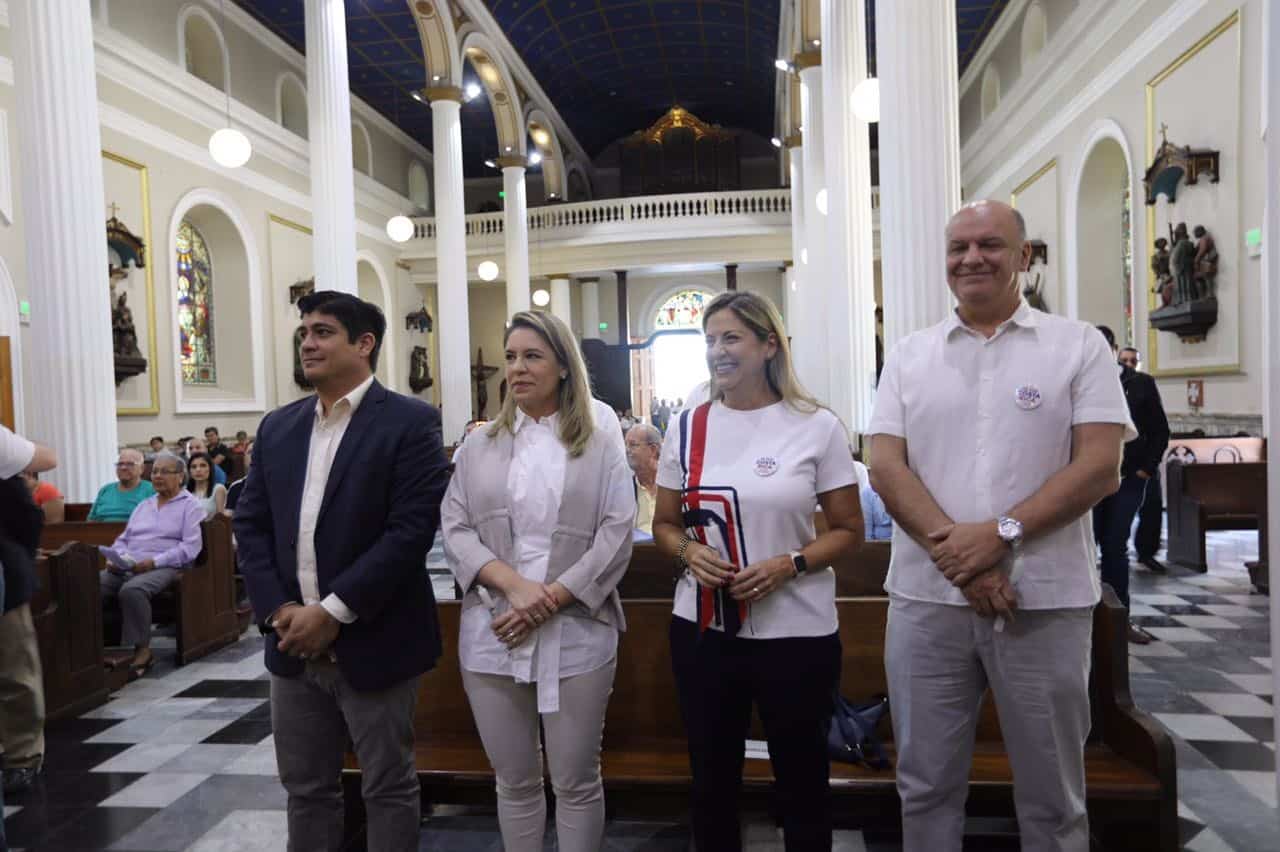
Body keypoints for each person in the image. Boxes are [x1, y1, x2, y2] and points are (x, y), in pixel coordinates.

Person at [867, 200, 1133, 852]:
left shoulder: (1078, 347)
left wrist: (1000, 533)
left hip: (1042, 601)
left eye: (990, 244)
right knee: (924, 785)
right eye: (958, 247)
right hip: (929, 601)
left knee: (1053, 795)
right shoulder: (909, 355)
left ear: (1025, 256)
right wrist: (965, 556)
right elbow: (884, 464)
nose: (972, 258)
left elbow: (1101, 465)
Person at [234, 290, 449, 852]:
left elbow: (409, 533)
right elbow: (251, 526)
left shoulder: (409, 422)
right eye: (304, 332)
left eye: (324, 331)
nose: (308, 342)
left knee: (388, 785)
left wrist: (332, 612)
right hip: (292, 644)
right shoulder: (279, 428)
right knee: (305, 788)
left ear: (364, 343)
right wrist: (280, 611)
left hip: (375, 635)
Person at [652, 291, 863, 851]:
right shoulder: (689, 425)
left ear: (770, 345)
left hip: (796, 632)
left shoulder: (816, 426)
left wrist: (788, 565)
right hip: (705, 630)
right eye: (710, 340)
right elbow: (664, 523)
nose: (717, 351)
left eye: (731, 338)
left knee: (802, 783)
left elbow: (848, 529)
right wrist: (687, 554)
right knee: (712, 781)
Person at [442, 310, 635, 852]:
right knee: (516, 781)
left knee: (575, 780)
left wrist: (547, 599)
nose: (517, 369)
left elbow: (617, 529)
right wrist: (513, 587)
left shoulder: (599, 434)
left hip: (577, 626)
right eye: (510, 357)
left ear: (563, 366)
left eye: (532, 356)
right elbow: (454, 525)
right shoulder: (481, 443)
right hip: (494, 627)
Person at [1094, 326, 1170, 644]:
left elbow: (1159, 430)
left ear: (1110, 349)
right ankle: (1084, 618)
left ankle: (1118, 621)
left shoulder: (1139, 383)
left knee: (1115, 545)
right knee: (1088, 545)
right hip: (1088, 481)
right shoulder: (1076, 381)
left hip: (1127, 478)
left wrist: (1146, 470)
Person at [100, 452, 205, 679]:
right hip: (130, 563)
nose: (157, 476)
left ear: (180, 476)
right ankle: (92, 647)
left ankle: (142, 650)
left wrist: (154, 562)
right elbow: (124, 539)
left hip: (167, 565)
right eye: (155, 471)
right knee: (92, 584)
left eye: (164, 472)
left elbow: (190, 548)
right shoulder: (144, 505)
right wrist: (115, 557)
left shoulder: (191, 506)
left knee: (133, 590)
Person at [0, 426, 56, 797]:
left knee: (14, 669)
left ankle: (22, 756)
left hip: (2, 569)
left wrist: (15, 556)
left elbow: (27, 519)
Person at [88, 449, 156, 521]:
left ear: (142, 468)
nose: (123, 467)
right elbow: (91, 520)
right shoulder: (105, 490)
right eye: (120, 464)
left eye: (130, 464)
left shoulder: (152, 490)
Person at [625, 423, 662, 535]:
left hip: (673, 550)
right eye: (625, 445)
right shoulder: (625, 489)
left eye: (633, 445)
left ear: (653, 450)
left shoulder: (674, 486)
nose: (627, 450)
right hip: (637, 551)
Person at [186, 451, 228, 518]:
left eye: (203, 465)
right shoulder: (185, 491)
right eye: (193, 467)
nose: (198, 470)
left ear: (210, 469)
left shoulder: (218, 489)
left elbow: (221, 520)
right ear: (189, 471)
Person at [225, 441, 253, 515]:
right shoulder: (235, 487)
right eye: (250, 452)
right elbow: (228, 519)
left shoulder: (278, 485)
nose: (254, 455)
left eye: (258, 452)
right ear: (244, 457)